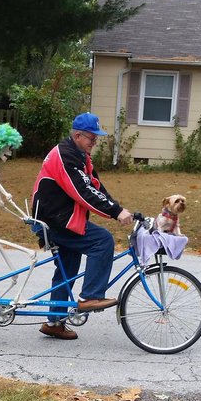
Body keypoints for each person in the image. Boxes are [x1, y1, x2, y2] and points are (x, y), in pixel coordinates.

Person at [32, 112, 134, 341]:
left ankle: (54, 322)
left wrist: (118, 208)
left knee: (68, 268)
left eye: (96, 139)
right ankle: (91, 297)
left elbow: (95, 185)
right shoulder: (66, 156)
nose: (94, 143)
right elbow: (83, 192)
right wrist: (116, 212)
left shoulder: (79, 155)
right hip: (55, 220)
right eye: (91, 138)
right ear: (78, 135)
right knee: (102, 241)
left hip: (61, 218)